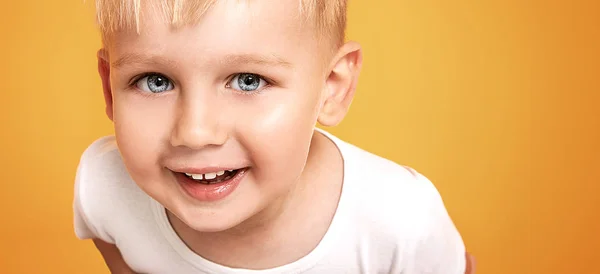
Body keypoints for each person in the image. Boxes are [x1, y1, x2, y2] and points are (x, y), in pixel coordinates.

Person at [73, 0, 474, 273]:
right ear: (110, 89)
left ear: (331, 87)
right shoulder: (105, 190)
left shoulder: (400, 218)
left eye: (248, 81)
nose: (195, 133)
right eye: (155, 81)